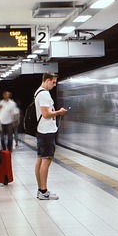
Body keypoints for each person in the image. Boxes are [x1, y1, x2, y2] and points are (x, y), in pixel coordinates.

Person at [34, 72, 66, 200]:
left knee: (40, 160)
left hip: (42, 130)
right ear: (47, 80)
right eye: (53, 82)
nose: (54, 85)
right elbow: (46, 114)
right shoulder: (44, 94)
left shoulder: (38, 92)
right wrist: (59, 112)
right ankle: (43, 191)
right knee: (46, 160)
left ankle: (40, 190)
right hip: (46, 131)